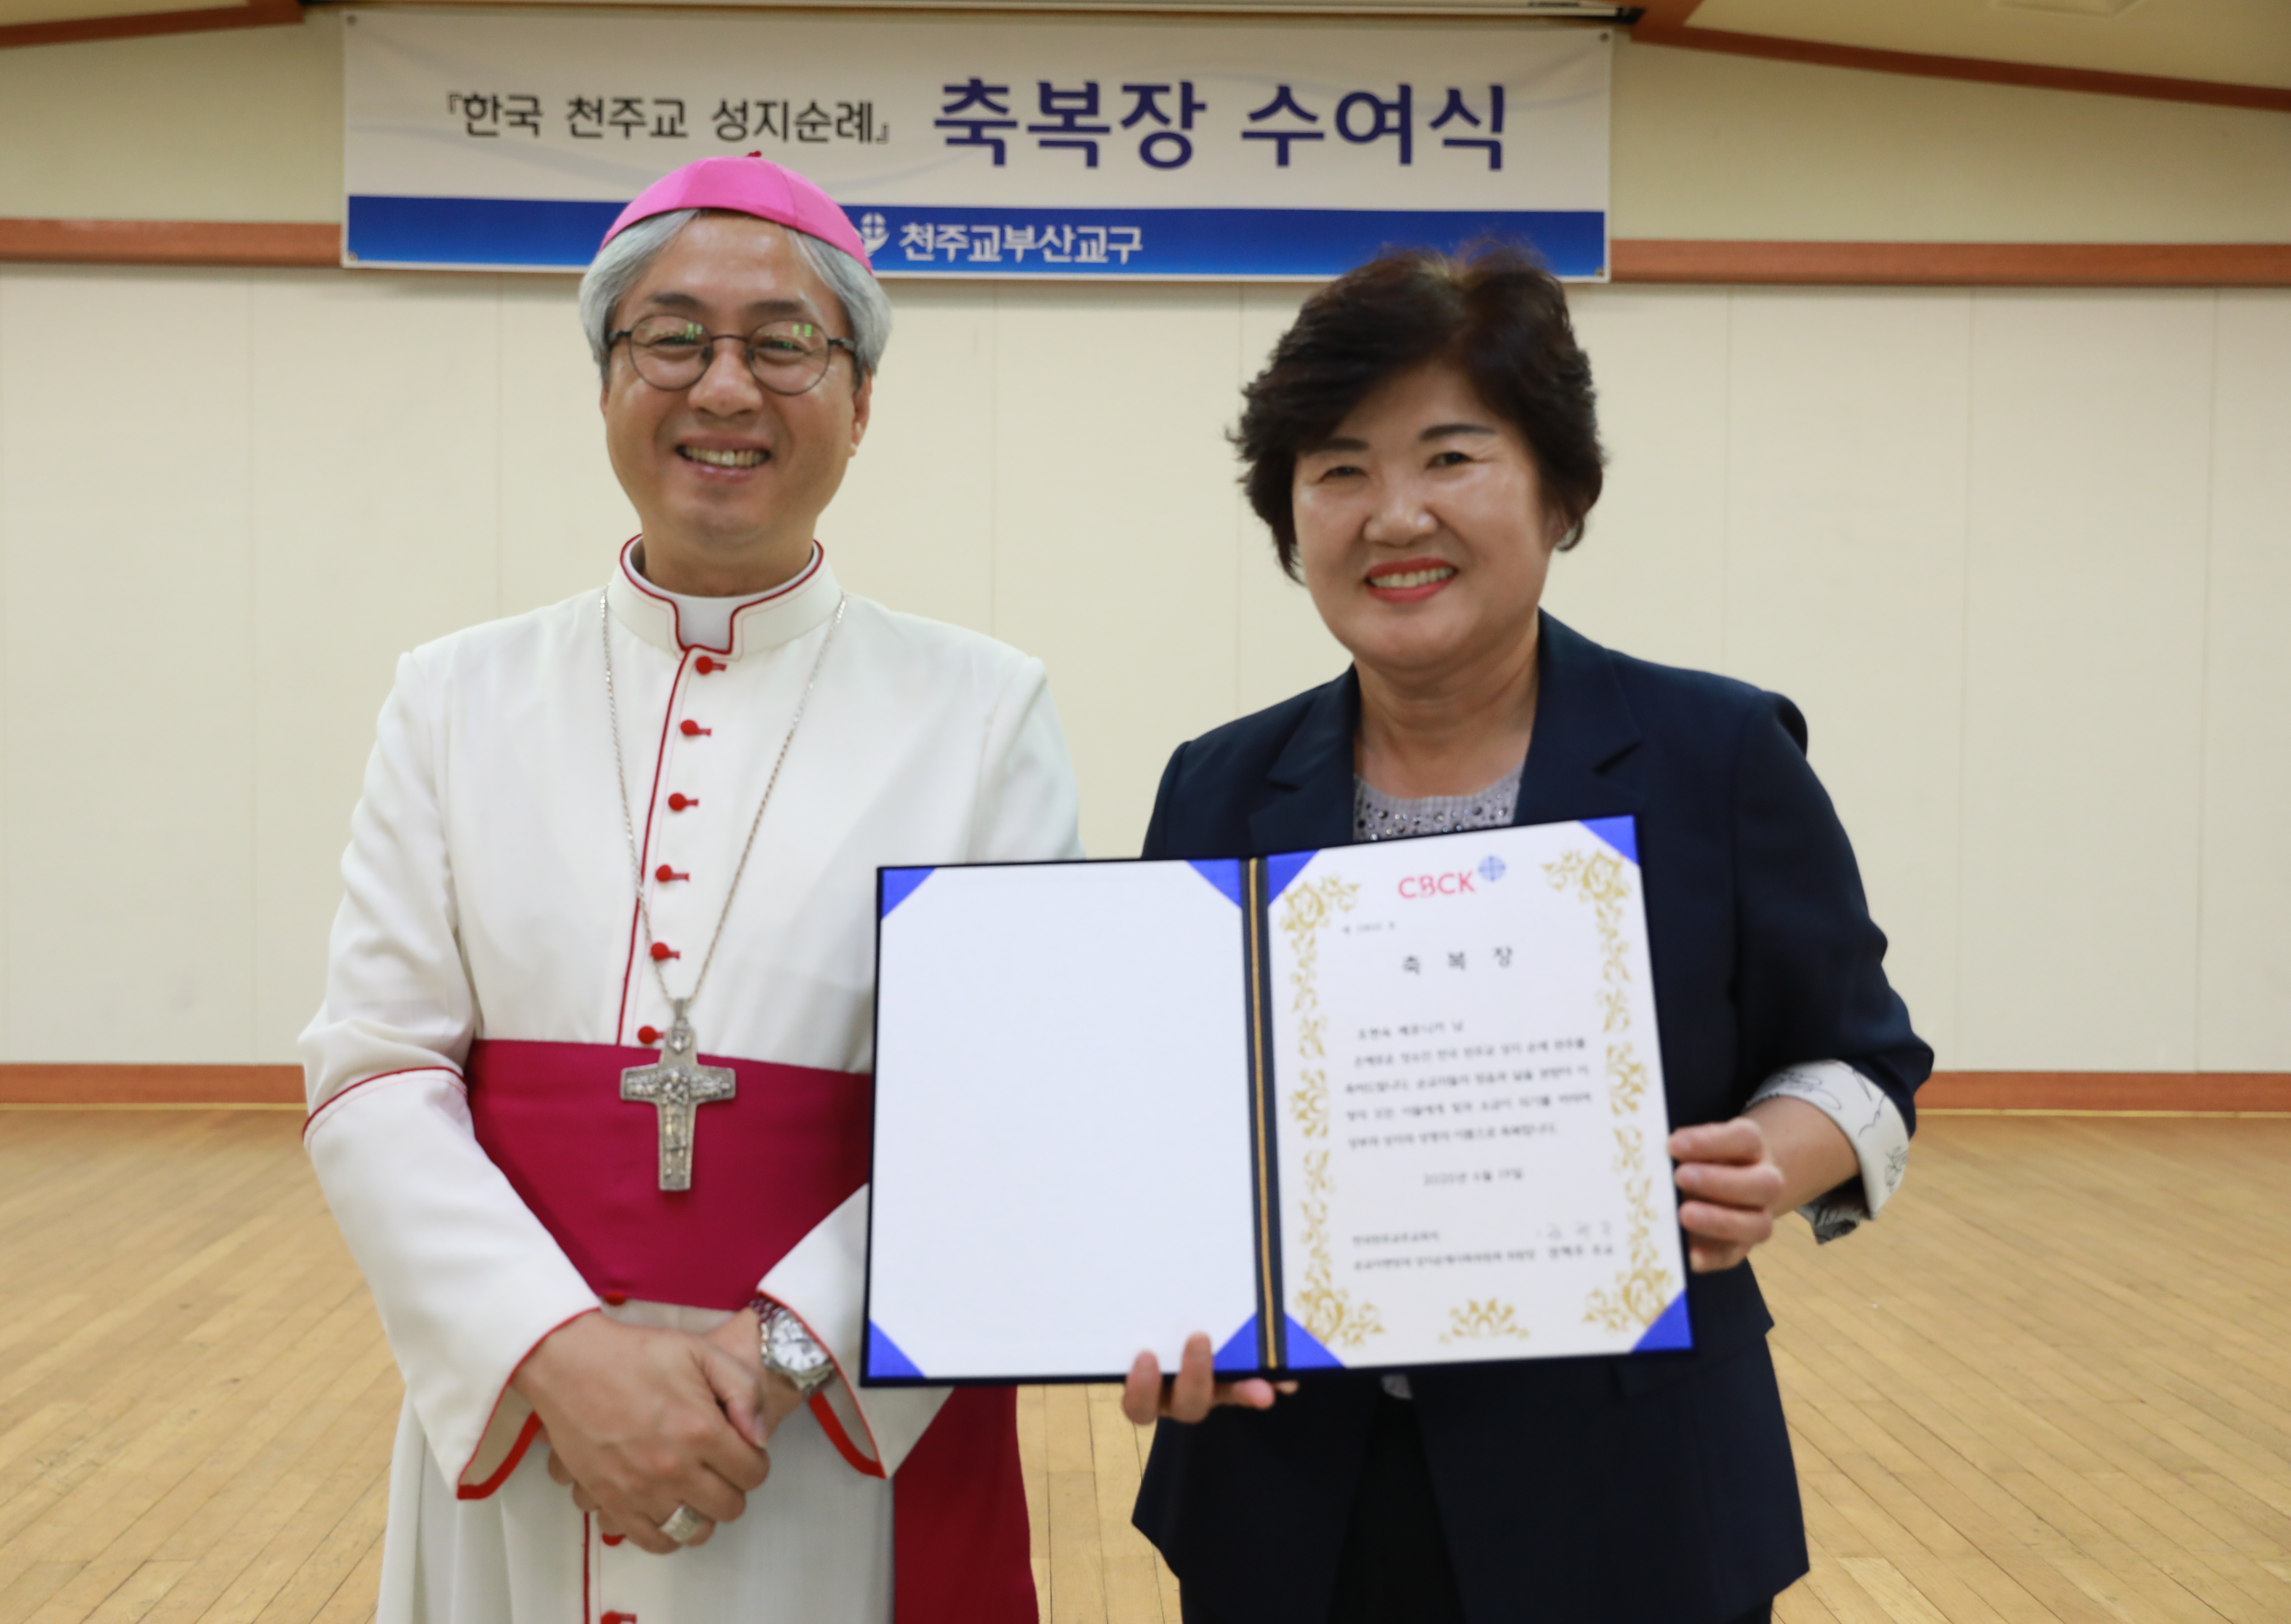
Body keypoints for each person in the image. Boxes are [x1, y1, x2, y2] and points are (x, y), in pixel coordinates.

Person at [299, 155, 1075, 1624]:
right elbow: (374, 1068)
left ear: (860, 401)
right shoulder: (454, 698)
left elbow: (1005, 1099)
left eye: (785, 344)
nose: (726, 386)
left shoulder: (983, 710)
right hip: (529, 1420)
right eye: (672, 339)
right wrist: (556, 1354)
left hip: (826, 1440)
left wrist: (768, 1362)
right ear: (607, 381)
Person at [1119, 246, 1932, 1624]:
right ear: (1290, 517)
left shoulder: (1718, 750)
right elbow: (1166, 1119)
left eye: (1452, 457)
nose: (1396, 515)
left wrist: (1770, 1160)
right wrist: (1151, 1295)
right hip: (1288, 1492)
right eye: (1340, 470)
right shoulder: (1218, 783)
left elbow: (1863, 1064)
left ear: (1561, 494)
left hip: (1629, 1486)